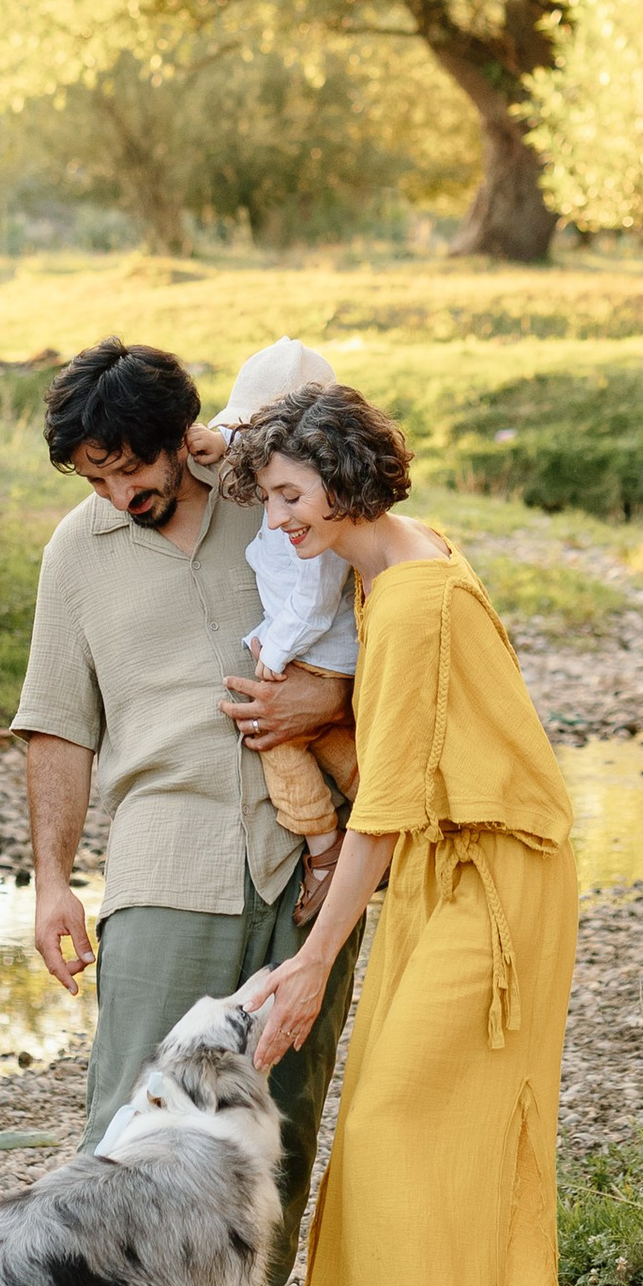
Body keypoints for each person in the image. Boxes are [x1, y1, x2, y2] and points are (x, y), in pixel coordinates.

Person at [236, 384, 578, 1286]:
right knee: (426, 1118)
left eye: (289, 496)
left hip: (489, 867)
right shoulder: (380, 560)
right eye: (269, 499)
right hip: (449, 861)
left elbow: (381, 806)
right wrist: (227, 447)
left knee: (395, 1123)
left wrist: (311, 961)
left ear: (340, 478)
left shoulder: (418, 597)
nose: (279, 521)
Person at [15, 337, 357, 1286]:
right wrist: (52, 881)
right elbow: (57, 728)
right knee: (130, 1132)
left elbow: (366, 623)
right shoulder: (78, 554)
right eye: (97, 477)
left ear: (180, 435)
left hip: (311, 867)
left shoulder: (268, 491)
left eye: (133, 468)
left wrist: (327, 709)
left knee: (274, 1133)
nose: (121, 492)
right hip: (167, 865)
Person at [190, 335, 362, 915]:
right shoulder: (283, 481)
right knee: (336, 742)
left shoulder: (317, 529)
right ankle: (382, 819)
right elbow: (250, 442)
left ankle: (324, 846)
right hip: (307, 643)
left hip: (316, 649)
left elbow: (314, 603)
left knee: (278, 739)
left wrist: (275, 653)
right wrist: (219, 441)